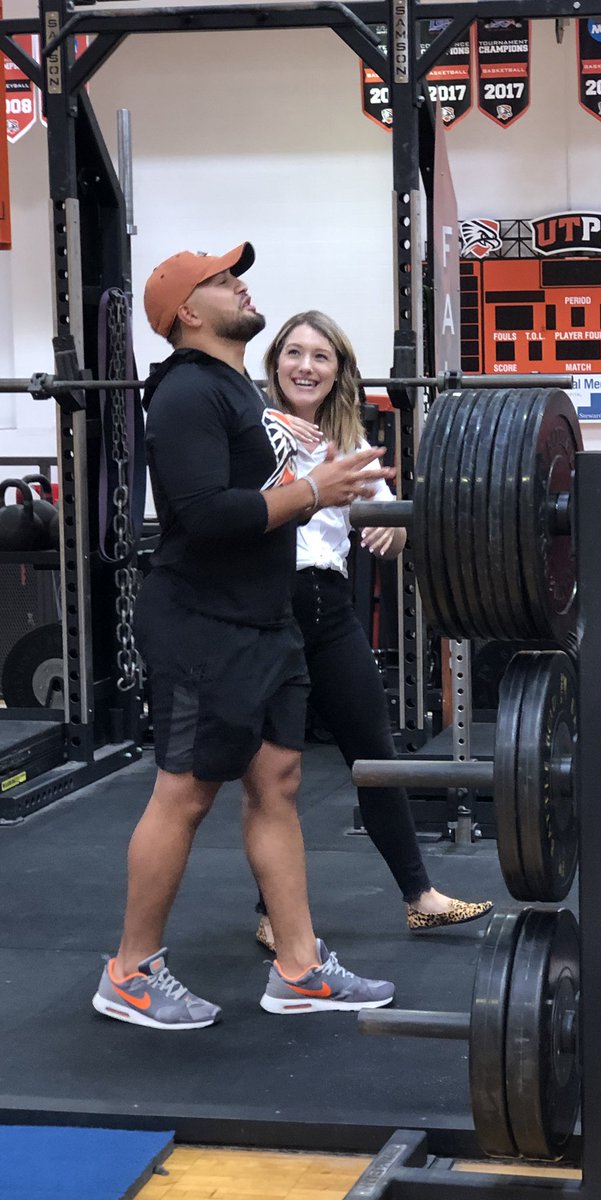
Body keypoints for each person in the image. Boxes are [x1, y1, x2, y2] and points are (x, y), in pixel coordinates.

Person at [92, 243, 398, 1030]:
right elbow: (203, 515)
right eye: (224, 281)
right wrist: (312, 490)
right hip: (203, 621)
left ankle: (297, 968)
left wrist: (320, 474)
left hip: (266, 620)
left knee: (279, 781)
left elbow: (256, 485)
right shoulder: (187, 392)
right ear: (188, 312)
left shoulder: (237, 392)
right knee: (186, 792)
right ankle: (129, 971)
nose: (242, 286)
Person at [251, 310, 493, 954]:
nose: (306, 366)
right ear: (275, 363)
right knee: (277, 772)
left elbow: (388, 520)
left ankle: (420, 897)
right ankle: (273, 913)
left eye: (320, 356)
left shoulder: (350, 440)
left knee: (376, 756)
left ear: (338, 372)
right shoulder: (252, 430)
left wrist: (393, 527)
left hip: (330, 609)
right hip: (269, 609)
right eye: (294, 353)